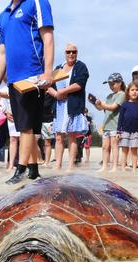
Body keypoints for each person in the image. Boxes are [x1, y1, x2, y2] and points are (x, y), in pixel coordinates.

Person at [0, 0, 54, 184]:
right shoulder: (3, 15)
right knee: (23, 126)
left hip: (32, 75)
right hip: (13, 79)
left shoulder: (36, 2)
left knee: (26, 127)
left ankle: (20, 171)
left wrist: (49, 71)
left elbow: (48, 37)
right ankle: (33, 170)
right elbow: (2, 53)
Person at [46, 43, 89, 171]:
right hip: (59, 107)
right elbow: (48, 84)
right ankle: (58, 164)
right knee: (58, 137)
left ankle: (70, 165)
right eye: (68, 52)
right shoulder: (58, 68)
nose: (71, 54)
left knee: (71, 135)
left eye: (74, 52)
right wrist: (55, 93)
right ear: (65, 53)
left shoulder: (81, 66)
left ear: (77, 53)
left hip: (73, 106)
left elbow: (79, 84)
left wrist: (62, 92)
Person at [95, 73, 125, 171]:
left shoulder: (122, 94)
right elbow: (101, 109)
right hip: (106, 125)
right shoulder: (109, 96)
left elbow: (113, 107)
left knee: (114, 146)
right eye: (109, 84)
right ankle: (104, 166)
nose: (111, 86)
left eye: (113, 84)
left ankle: (115, 166)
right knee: (105, 147)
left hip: (115, 125)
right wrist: (96, 104)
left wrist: (102, 104)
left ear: (120, 83)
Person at [116, 82, 138, 172]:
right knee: (124, 150)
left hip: (136, 132)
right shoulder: (124, 105)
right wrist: (118, 131)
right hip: (124, 131)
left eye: (137, 90)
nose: (134, 92)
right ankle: (123, 169)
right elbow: (120, 119)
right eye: (132, 90)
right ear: (128, 92)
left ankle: (134, 169)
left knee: (134, 151)